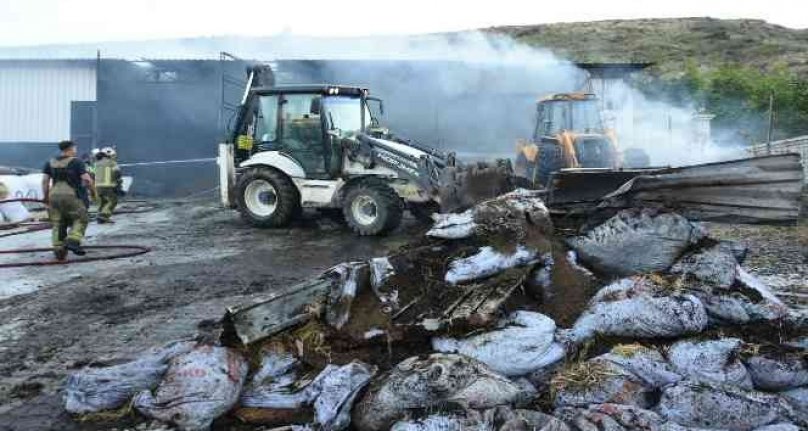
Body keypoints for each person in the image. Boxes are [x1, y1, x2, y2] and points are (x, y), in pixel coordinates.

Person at [42, 140, 95, 260]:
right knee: (81, 218)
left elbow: (45, 181)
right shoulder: (77, 162)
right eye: (75, 148)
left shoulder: (50, 162)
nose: (75, 150)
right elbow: (87, 179)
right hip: (72, 195)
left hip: (54, 195)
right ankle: (73, 240)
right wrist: (93, 192)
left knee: (58, 222)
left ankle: (59, 249)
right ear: (71, 148)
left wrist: (45, 197)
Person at [94, 146, 122, 223]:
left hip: (97, 186)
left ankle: (99, 216)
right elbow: (117, 172)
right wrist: (118, 181)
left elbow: (93, 174)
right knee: (113, 200)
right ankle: (104, 215)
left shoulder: (97, 163)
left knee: (103, 202)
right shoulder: (112, 163)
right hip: (107, 185)